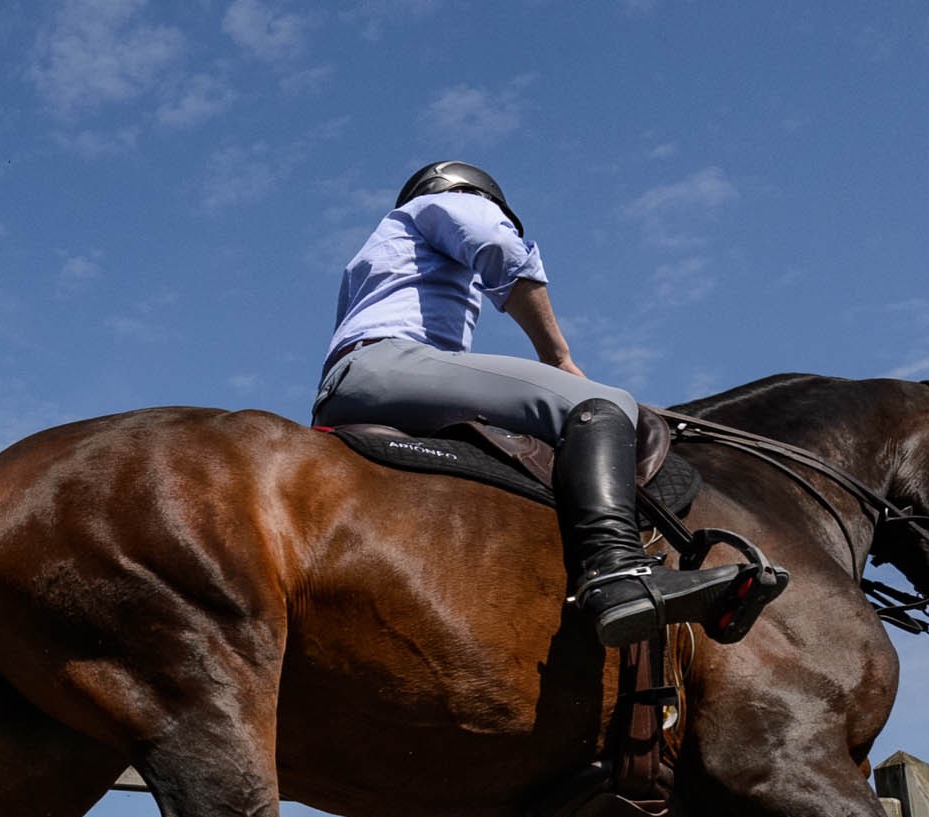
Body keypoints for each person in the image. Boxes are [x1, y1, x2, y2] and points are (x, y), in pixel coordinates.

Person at [312, 162, 742, 649]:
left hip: (353, 386)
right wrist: (557, 356)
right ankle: (617, 573)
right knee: (602, 401)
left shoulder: (380, 252)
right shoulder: (442, 204)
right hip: (390, 365)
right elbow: (496, 246)